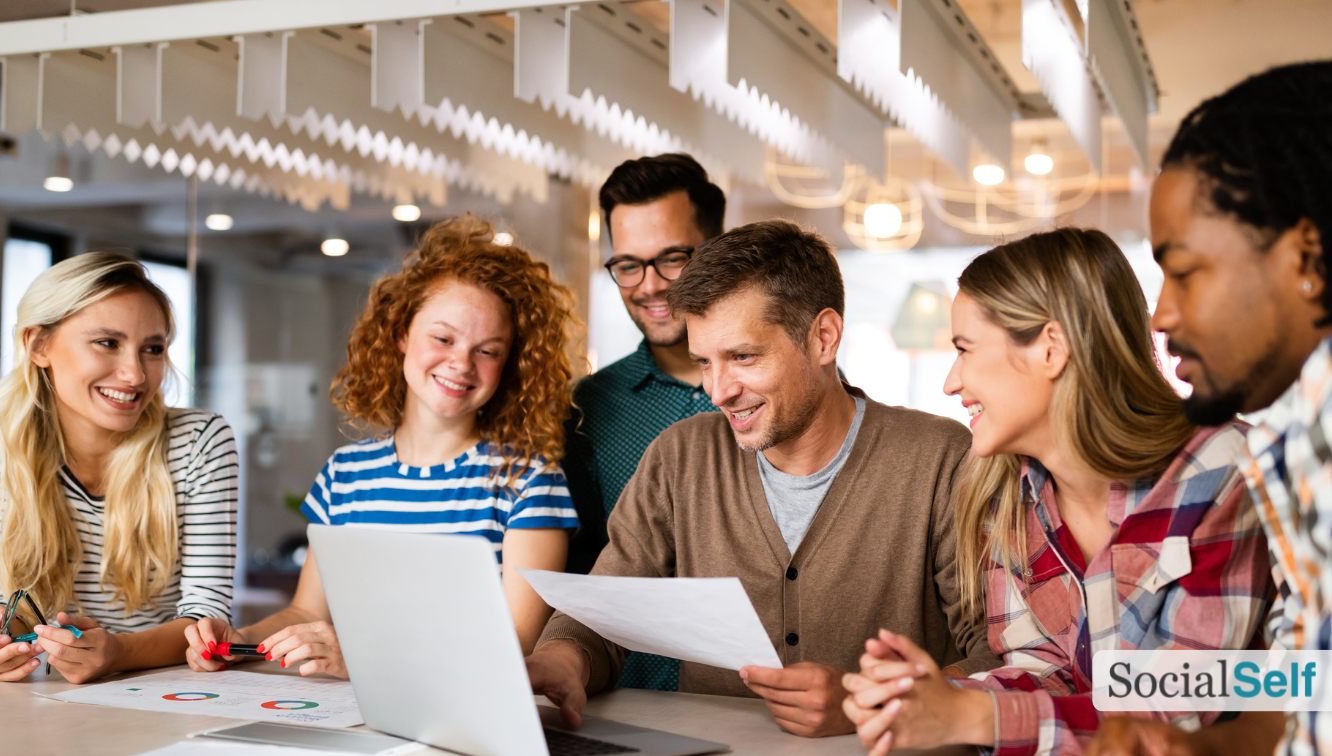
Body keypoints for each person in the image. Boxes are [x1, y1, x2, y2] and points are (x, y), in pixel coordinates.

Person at [528, 219, 998, 738]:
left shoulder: (940, 459)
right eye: (704, 362)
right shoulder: (679, 457)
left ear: (823, 337)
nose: (719, 390)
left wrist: (867, 701)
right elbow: (602, 612)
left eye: (743, 357)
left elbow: (1000, 653)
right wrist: (562, 661)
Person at [839, 228, 1274, 756]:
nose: (951, 383)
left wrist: (972, 715)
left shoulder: (1220, 471)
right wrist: (924, 698)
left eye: (964, 349)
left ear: (1050, 349)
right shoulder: (1004, 496)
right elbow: (1044, 669)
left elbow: (1177, 707)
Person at [184, 216, 581, 677]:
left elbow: (514, 645)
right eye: (443, 338)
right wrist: (240, 641)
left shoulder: (529, 479)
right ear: (401, 334)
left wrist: (367, 659)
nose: (461, 363)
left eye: (488, 350)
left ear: (509, 364)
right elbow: (306, 615)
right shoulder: (345, 473)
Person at [1085, 61, 1332, 756]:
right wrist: (1203, 751)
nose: (1161, 314)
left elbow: (1195, 679)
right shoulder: (1294, 441)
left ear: (1307, 258)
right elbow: (1307, 693)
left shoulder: (1242, 456)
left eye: (1185, 272)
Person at [0, 252, 238, 684]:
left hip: (159, 695)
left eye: (153, 349)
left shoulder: (200, 441)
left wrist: (117, 652)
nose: (135, 374)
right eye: (108, 343)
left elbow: (206, 622)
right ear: (38, 345)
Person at [560, 153, 725, 691]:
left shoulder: (792, 390)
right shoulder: (588, 407)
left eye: (673, 258)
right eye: (628, 264)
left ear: (717, 249)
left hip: (760, 704)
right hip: (624, 700)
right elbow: (581, 566)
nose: (651, 285)